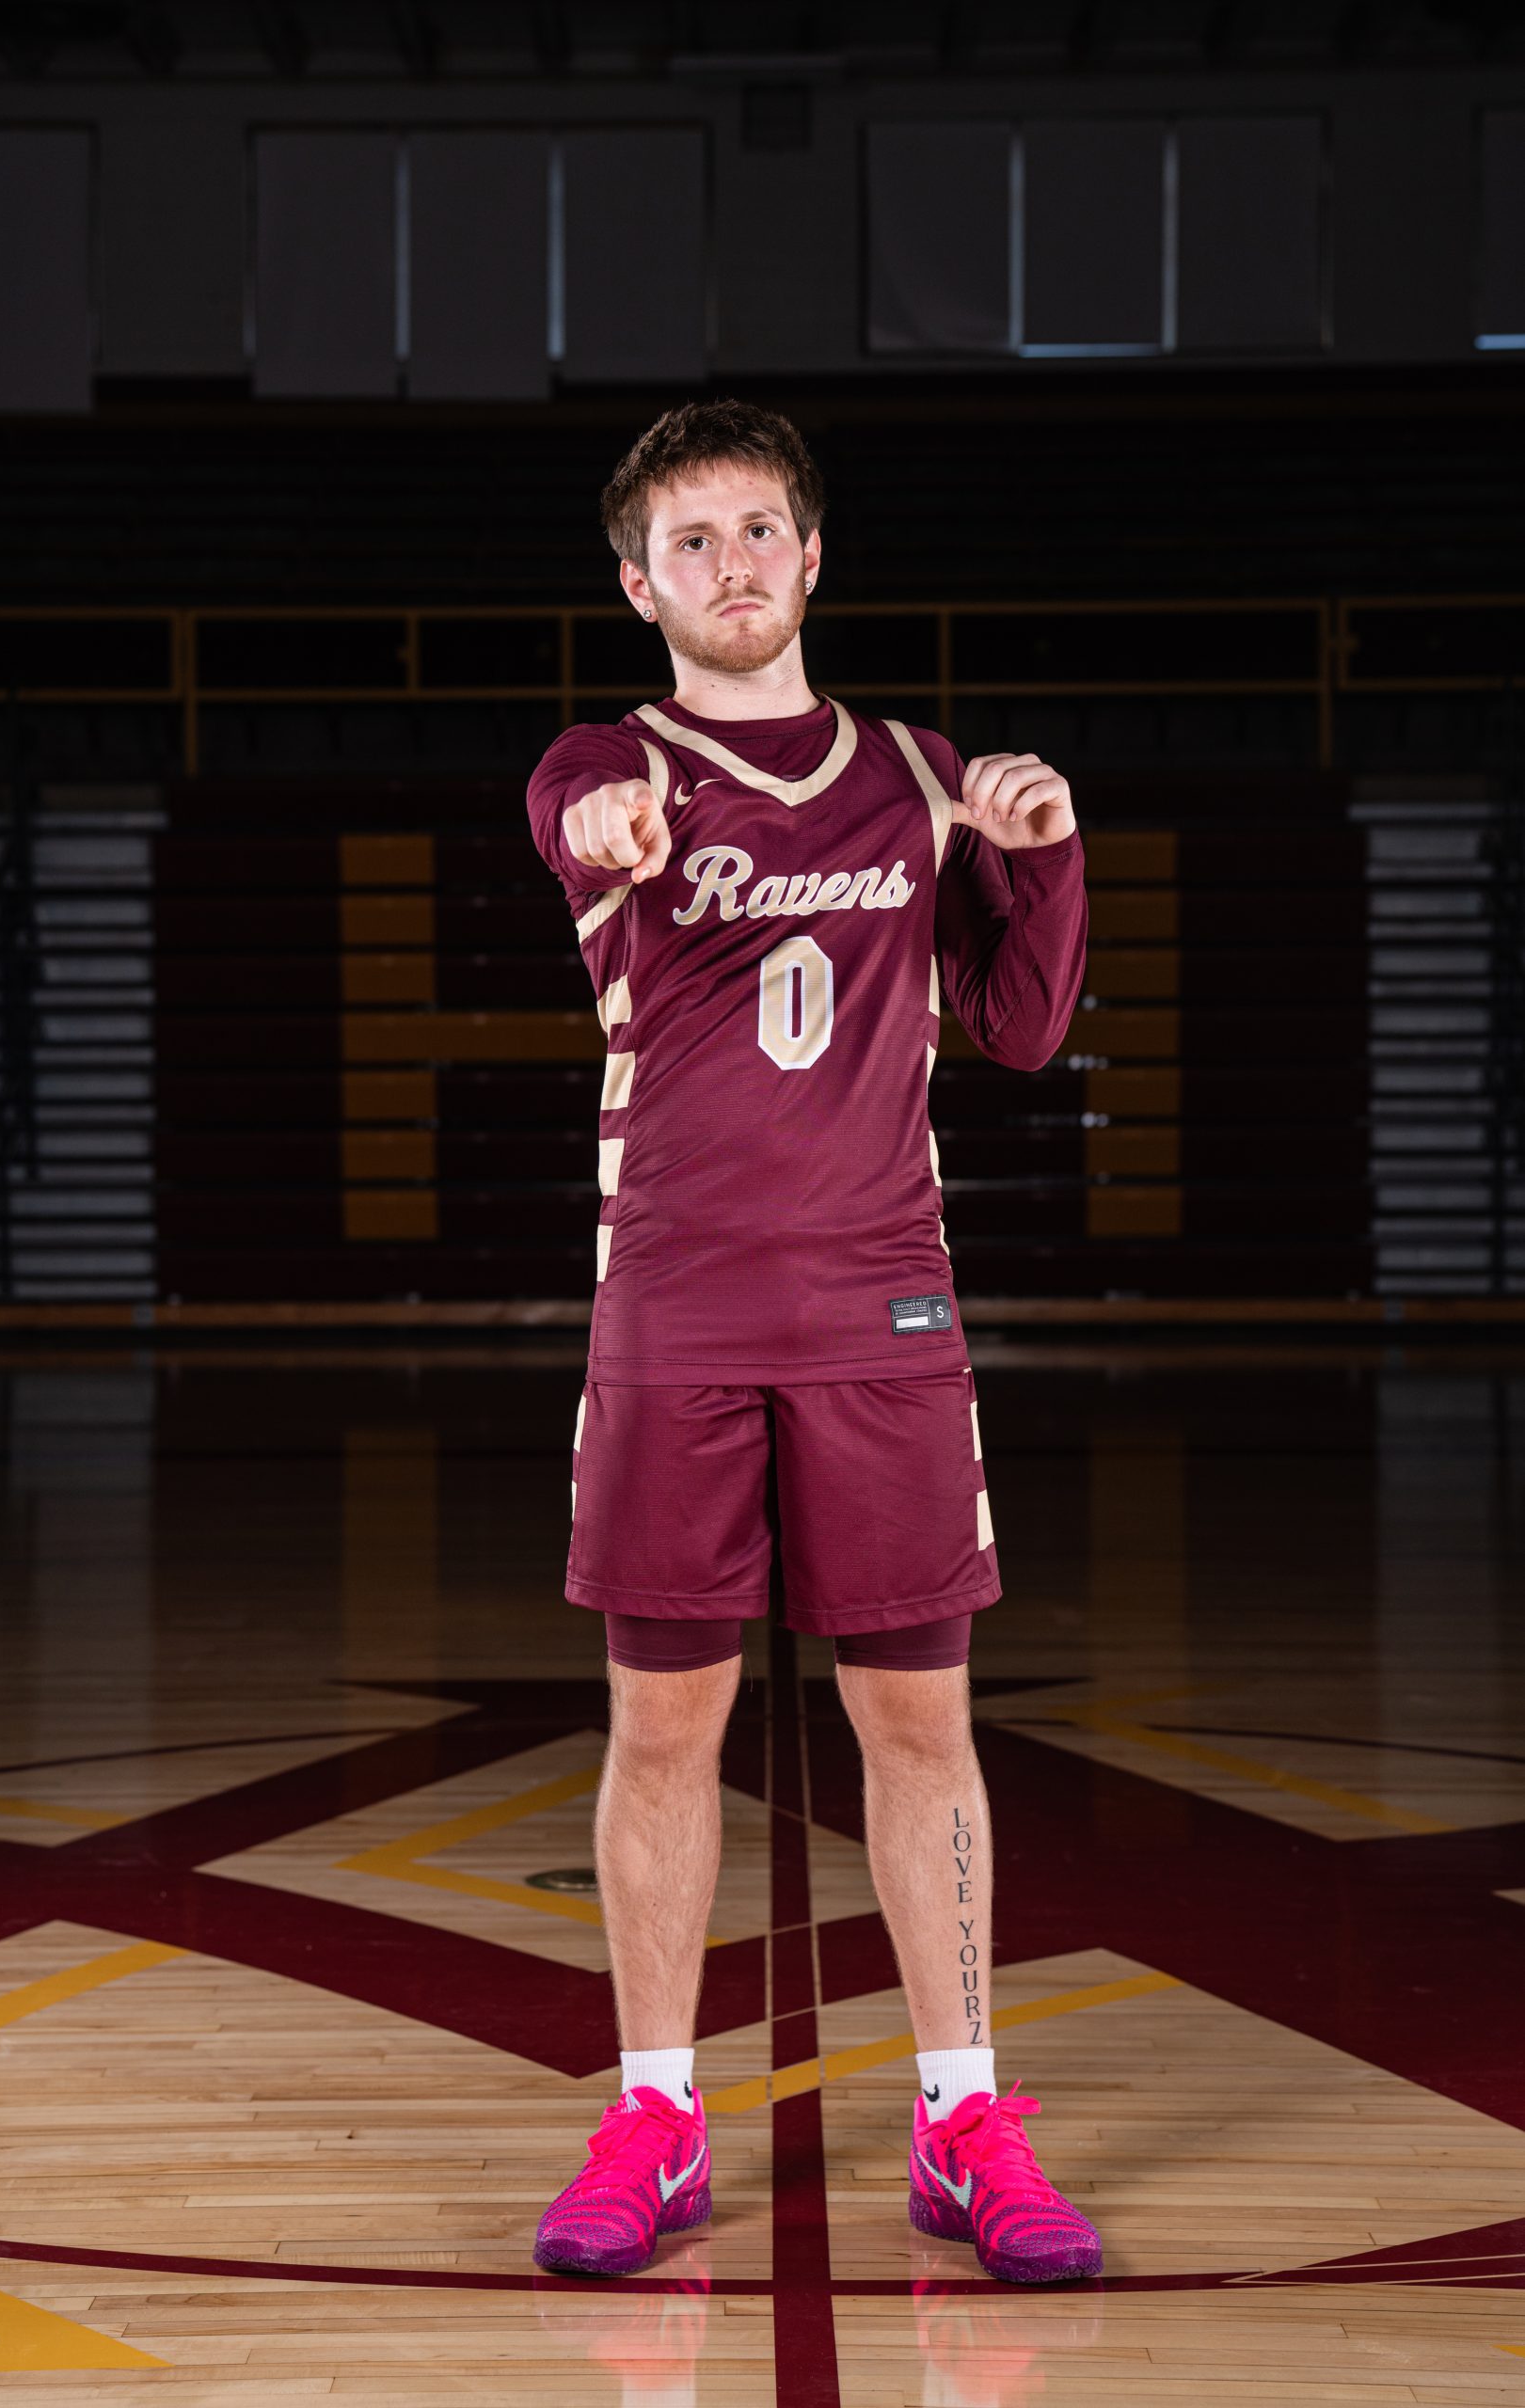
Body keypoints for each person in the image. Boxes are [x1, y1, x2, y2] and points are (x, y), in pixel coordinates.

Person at [524, 399, 1097, 2285]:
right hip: (674, 1311)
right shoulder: (606, 764)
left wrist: (1044, 852)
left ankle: (961, 2120)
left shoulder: (920, 774)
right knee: (662, 1724)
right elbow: (577, 827)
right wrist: (609, 834)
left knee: (918, 1721)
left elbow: (1020, 1028)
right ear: (638, 584)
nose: (732, 563)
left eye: (758, 528)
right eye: (689, 541)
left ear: (813, 553)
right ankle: (655, 2113)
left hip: (881, 1311)